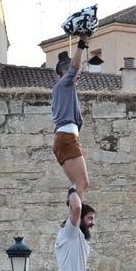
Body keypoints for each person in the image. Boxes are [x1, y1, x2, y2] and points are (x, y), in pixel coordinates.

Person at [51, 45, 91, 193]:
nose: (78, 74)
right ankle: (76, 217)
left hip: (63, 139)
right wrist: (82, 43)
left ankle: (73, 215)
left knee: (76, 184)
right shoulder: (65, 83)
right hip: (67, 138)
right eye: (76, 72)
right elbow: (74, 66)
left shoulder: (61, 89)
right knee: (82, 182)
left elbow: (74, 68)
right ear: (65, 72)